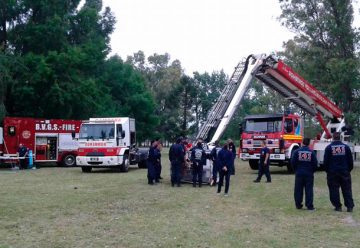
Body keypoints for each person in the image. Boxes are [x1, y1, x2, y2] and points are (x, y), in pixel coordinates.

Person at [323, 132, 354, 212]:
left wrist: (328, 171)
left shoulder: (329, 148)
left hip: (332, 172)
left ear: (333, 138)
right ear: (340, 137)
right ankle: (349, 206)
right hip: (344, 171)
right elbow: (350, 161)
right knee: (347, 189)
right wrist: (348, 170)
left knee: (334, 190)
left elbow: (325, 162)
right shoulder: (346, 147)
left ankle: (337, 206)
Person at [290, 138, 318, 210]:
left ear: (302, 143)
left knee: (298, 190)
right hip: (309, 173)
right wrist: (312, 171)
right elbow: (315, 164)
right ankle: (309, 206)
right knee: (309, 190)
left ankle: (298, 205)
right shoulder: (312, 152)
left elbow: (293, 162)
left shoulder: (296, 151)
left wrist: (296, 170)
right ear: (309, 143)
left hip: (299, 173)